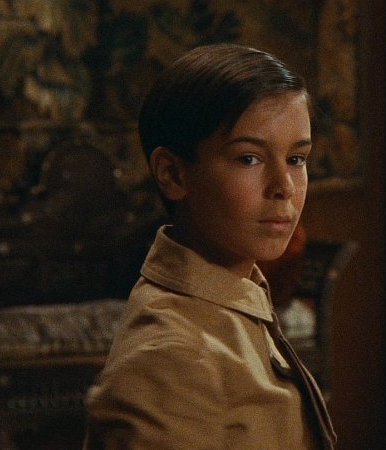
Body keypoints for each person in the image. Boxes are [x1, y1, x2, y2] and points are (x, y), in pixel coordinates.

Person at [82, 44, 337, 449]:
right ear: (173, 174)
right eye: (249, 159)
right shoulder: (171, 361)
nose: (285, 187)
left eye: (296, 159)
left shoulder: (238, 297)